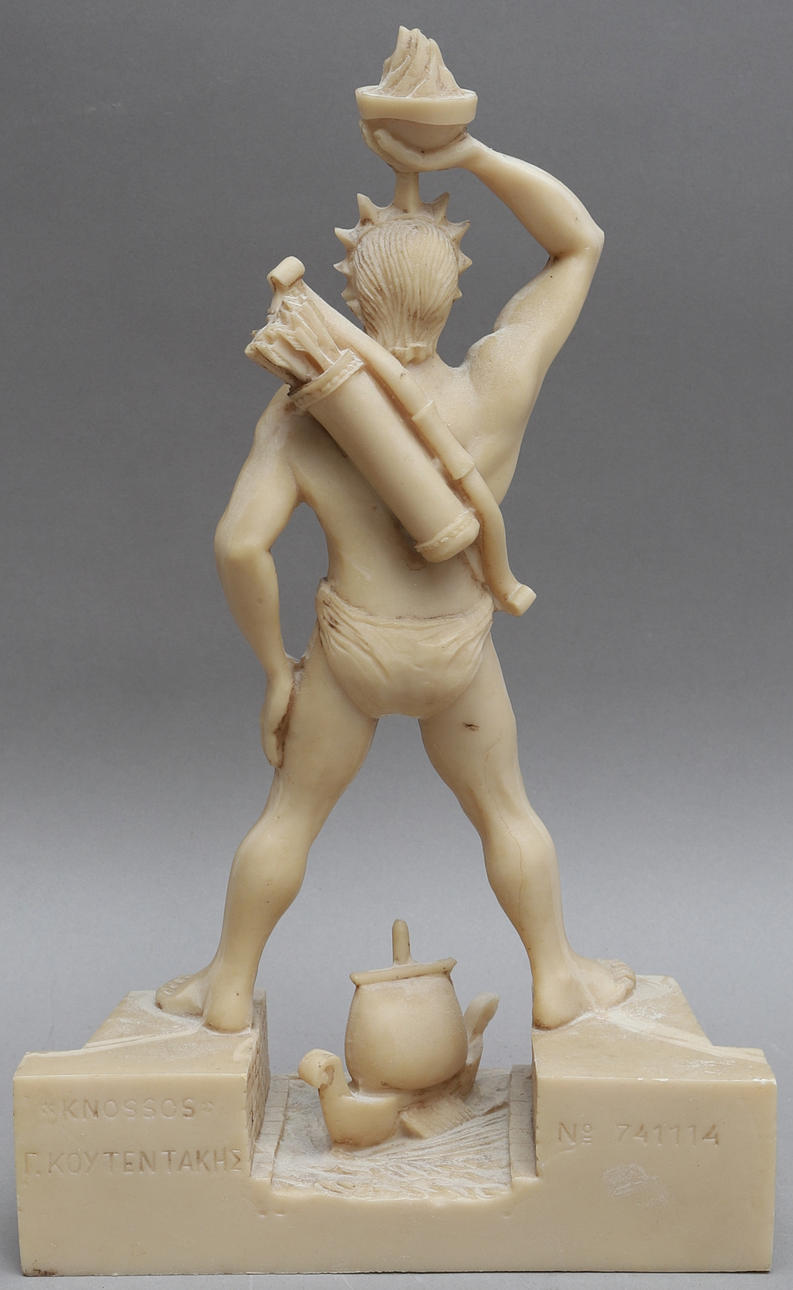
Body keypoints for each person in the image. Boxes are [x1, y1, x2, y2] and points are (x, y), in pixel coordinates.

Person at [156, 124, 634, 1032]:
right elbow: (579, 241)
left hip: (352, 648)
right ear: (453, 291)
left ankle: (226, 987)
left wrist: (274, 671)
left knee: (288, 818)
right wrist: (468, 154)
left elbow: (238, 545)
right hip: (458, 646)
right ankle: (556, 979)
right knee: (506, 811)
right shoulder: (496, 380)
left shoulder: (304, 414)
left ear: (349, 295)